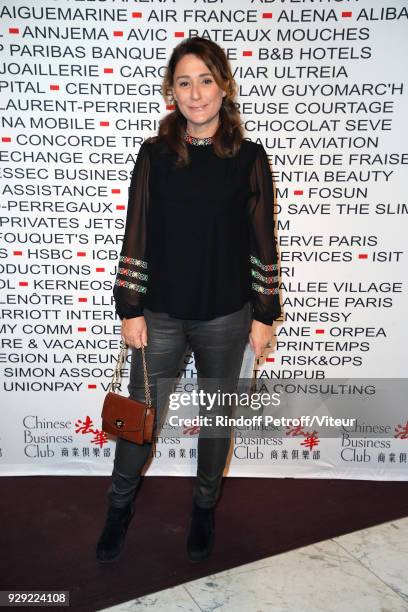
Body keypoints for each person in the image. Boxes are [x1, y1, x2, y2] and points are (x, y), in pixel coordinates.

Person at [96, 36, 281, 564]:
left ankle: (204, 507)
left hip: (227, 316)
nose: (195, 92)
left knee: (217, 420)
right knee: (141, 420)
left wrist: (265, 313)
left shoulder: (249, 158)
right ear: (170, 92)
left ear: (224, 86)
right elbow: (138, 231)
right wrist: (130, 306)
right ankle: (119, 506)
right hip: (160, 316)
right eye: (184, 81)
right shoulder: (154, 155)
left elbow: (261, 237)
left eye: (205, 79)